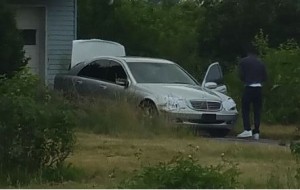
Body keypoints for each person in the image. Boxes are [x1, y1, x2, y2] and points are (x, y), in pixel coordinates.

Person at [237, 44, 267, 140]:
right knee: (257, 110)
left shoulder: (243, 62)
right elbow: (265, 77)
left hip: (249, 87)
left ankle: (247, 129)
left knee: (246, 109)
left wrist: (245, 79)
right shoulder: (261, 63)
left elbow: (241, 76)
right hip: (258, 88)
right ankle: (256, 131)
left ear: (247, 53)